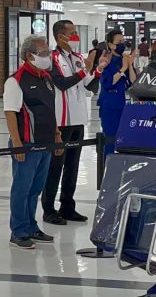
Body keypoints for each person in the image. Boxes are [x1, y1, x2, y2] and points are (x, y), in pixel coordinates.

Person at [3, 35, 62, 249]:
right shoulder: (16, 80)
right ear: (29, 55)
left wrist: (56, 134)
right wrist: (17, 142)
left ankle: (31, 226)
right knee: (22, 189)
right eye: (43, 53)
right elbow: (10, 112)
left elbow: (50, 109)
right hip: (27, 144)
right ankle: (18, 231)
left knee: (36, 189)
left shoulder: (46, 78)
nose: (48, 56)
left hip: (46, 143)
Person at [42, 20, 101, 226]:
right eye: (73, 33)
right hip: (61, 120)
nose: (76, 36)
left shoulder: (77, 57)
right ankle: (48, 209)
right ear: (61, 36)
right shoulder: (52, 58)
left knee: (73, 166)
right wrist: (84, 71)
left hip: (78, 119)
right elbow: (61, 83)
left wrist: (97, 70)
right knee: (55, 166)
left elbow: (87, 86)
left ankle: (68, 206)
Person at [98, 29, 137, 157]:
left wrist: (130, 65)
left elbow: (133, 81)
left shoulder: (124, 59)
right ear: (110, 45)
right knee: (110, 139)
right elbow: (109, 83)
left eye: (123, 41)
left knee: (124, 140)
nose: (122, 44)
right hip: (110, 106)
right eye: (119, 41)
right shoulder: (106, 60)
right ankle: (106, 168)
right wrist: (123, 69)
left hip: (124, 105)